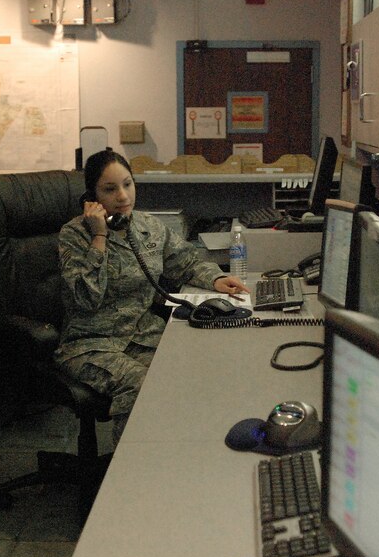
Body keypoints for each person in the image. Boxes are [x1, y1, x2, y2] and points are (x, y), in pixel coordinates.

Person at [55, 150, 249, 443]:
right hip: (90, 345)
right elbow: (86, 298)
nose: (122, 196)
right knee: (141, 384)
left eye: (128, 184)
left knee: (196, 366)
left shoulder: (148, 227)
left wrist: (217, 278)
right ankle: (128, 474)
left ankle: (181, 453)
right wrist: (99, 237)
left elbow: (187, 262)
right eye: (109, 189)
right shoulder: (74, 235)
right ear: (90, 197)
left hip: (143, 335)